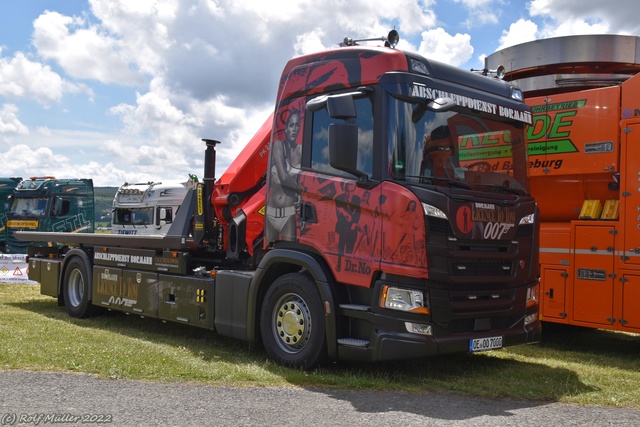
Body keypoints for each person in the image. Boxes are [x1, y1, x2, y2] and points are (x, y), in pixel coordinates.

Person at [266, 109, 302, 241]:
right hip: (270, 214)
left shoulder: (301, 151)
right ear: (286, 129)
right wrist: (299, 192)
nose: (294, 129)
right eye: (291, 125)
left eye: (297, 125)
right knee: (269, 252)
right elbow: (283, 176)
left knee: (289, 254)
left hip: (288, 215)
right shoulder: (278, 145)